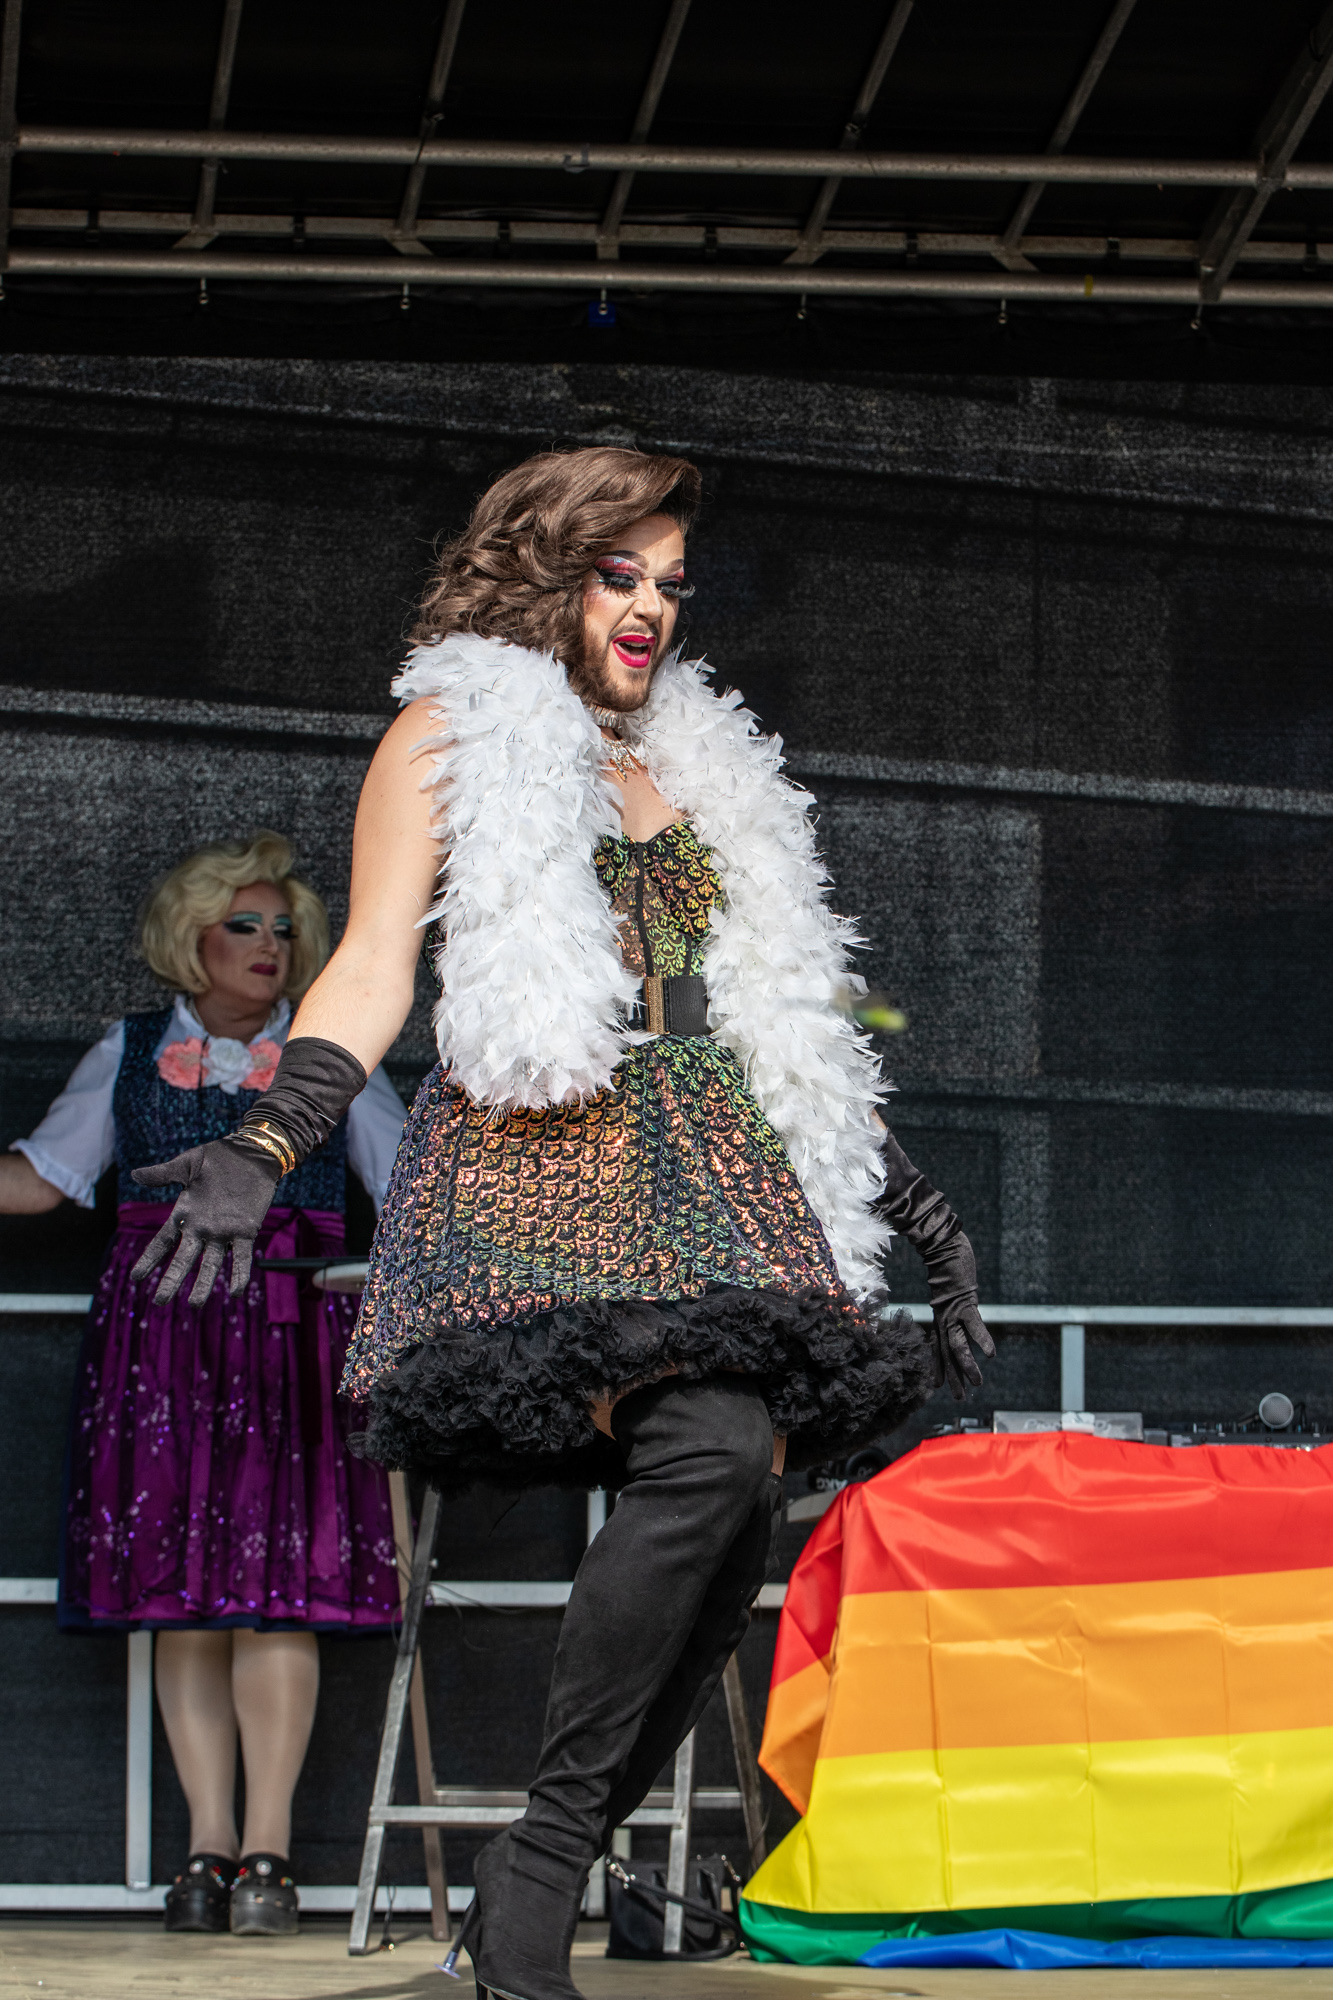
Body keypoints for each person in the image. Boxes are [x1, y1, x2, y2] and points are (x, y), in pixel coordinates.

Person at [131, 449, 994, 2000]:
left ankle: (533, 1876)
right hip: (550, 1151)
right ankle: (537, 1880)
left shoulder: (699, 760)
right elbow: (374, 962)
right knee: (712, 1452)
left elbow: (776, 1014)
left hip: (717, 1156)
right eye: (619, 574)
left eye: (670, 582)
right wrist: (268, 1136)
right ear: (543, 568)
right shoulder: (450, 731)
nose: (651, 605)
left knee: (733, 1513)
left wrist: (908, 1193)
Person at [0, 832, 406, 1939]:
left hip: (289, 1339)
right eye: (244, 924)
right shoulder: (129, 1049)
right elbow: (41, 1183)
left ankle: (268, 1852)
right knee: (177, 1594)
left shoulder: (330, 1054)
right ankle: (205, 1850)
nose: (269, 945)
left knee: (279, 1592)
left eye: (283, 928)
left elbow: (410, 1185)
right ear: (193, 937)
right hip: (162, 1342)